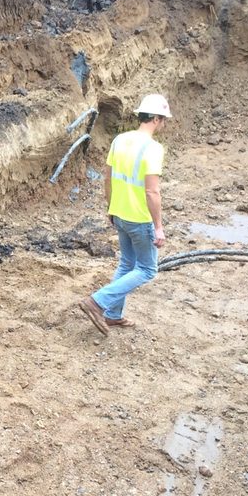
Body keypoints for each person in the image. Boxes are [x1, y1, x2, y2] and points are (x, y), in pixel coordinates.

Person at [78, 94, 171, 335]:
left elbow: (107, 178)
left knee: (127, 263)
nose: (163, 124)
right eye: (163, 120)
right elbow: (152, 191)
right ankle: (97, 302)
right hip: (139, 218)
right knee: (147, 269)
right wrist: (158, 226)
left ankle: (112, 315)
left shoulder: (120, 140)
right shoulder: (152, 148)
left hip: (119, 212)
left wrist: (111, 208)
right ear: (156, 119)